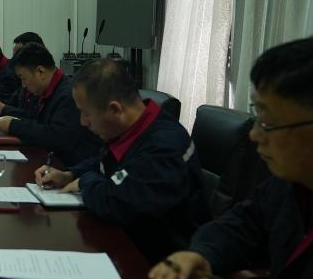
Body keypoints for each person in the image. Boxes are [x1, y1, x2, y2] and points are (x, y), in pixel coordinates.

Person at [149, 37, 313, 279]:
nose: (255, 136)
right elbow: (244, 223)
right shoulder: (292, 183)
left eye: (269, 123)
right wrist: (202, 253)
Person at [34, 58, 209, 262]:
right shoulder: (133, 127)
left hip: (160, 262)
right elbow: (103, 160)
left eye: (86, 113)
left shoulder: (164, 147)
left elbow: (117, 202)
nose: (82, 122)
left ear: (115, 109)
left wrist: (84, 181)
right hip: (126, 241)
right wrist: (70, 174)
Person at [0, 43, 101, 165]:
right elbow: (34, 118)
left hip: (73, 166)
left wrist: (14, 125)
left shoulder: (68, 95)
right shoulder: (45, 90)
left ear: (40, 72)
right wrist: (11, 119)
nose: (23, 85)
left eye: (23, 78)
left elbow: (58, 136)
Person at [0, 32, 46, 116]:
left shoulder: (9, 74)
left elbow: (34, 117)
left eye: (20, 56)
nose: (15, 61)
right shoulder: (23, 86)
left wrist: (3, 109)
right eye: (15, 56)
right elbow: (10, 103)